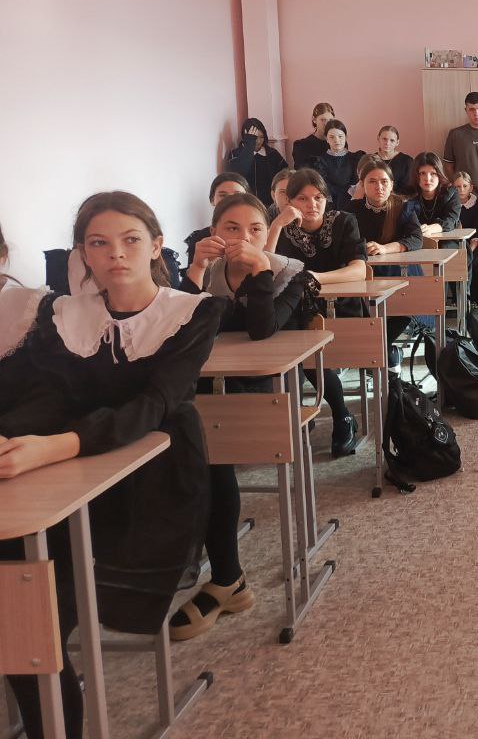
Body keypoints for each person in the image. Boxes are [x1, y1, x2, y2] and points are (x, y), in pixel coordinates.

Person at [1, 194, 225, 738]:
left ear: (156, 245)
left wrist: (56, 446)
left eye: (130, 240)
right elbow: (52, 395)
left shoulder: (192, 311)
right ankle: (47, 704)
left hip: (157, 472)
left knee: (44, 604)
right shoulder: (63, 314)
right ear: (82, 253)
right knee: (24, 605)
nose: (115, 254)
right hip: (71, 468)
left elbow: (155, 405)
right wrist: (12, 437)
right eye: (98, 243)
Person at [170, 192, 316, 642]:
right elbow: (177, 330)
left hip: (262, 392)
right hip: (201, 386)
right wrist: (195, 269)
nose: (243, 238)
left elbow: (260, 330)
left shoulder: (290, 273)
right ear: (214, 231)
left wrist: (260, 270)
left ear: (267, 232)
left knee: (208, 452)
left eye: (255, 229)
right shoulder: (206, 271)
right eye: (231, 228)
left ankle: (225, 577)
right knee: (179, 441)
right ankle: (198, 560)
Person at [273, 168, 367, 458]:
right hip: (296, 310)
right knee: (293, 352)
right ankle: (310, 415)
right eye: (302, 198)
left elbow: (359, 269)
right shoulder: (283, 229)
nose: (311, 204)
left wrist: (314, 278)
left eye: (318, 197)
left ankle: (341, 416)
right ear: (289, 201)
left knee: (311, 355)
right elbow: (266, 268)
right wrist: (276, 225)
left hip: (341, 307)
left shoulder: (343, 222)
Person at [350, 156, 423, 368]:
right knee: (357, 314)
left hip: (399, 274)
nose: (379, 187)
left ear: (391, 184)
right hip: (364, 276)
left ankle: (382, 354)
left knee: (403, 311)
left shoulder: (402, 206)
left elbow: (416, 239)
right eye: (372, 181)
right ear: (362, 184)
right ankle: (388, 357)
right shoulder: (352, 209)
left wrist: (385, 248)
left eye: (384, 181)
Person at [185, 172, 251, 265]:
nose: (230, 201)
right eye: (223, 195)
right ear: (212, 200)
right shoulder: (199, 239)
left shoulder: (257, 233)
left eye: (237, 195)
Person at [225, 116, 288, 203]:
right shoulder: (235, 154)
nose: (258, 141)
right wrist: (249, 145)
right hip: (245, 203)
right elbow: (238, 174)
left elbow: (285, 174)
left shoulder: (272, 153)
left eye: (261, 137)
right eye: (255, 137)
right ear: (246, 135)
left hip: (271, 202)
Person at [307, 119, 364, 212]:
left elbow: (357, 183)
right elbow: (323, 185)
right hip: (329, 205)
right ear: (326, 139)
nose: (336, 140)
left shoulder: (355, 158)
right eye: (332, 137)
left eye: (340, 136)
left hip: (352, 202)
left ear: (346, 137)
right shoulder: (319, 161)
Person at [454, 172, 478, 307]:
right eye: (457, 187)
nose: (461, 190)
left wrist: (471, 247)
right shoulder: (450, 204)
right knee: (453, 262)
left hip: (476, 242)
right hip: (455, 242)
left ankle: (476, 293)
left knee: (477, 261)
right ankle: (458, 297)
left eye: (464, 186)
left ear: (471, 187)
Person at [409, 152, 461, 238]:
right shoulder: (409, 194)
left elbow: (452, 220)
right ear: (416, 175)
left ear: (439, 174)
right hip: (417, 239)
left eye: (432, 173)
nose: (427, 179)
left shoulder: (450, 192)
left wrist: (434, 228)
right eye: (422, 173)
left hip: (447, 238)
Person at [375, 125, 416, 195]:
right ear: (378, 139)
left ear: (397, 142)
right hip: (375, 199)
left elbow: (410, 188)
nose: (387, 143)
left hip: (400, 199)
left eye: (392, 140)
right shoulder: (370, 160)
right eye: (384, 139)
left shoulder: (407, 161)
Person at [291, 102, 335, 167]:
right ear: (314, 120)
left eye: (330, 120)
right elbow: (302, 171)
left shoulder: (339, 143)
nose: (326, 124)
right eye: (323, 120)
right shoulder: (302, 146)